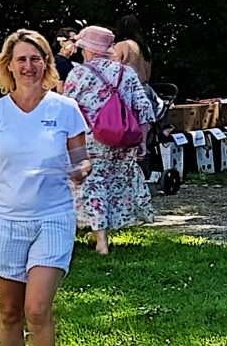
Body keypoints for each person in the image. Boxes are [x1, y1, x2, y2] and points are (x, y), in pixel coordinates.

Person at [0, 29, 91, 346]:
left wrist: (80, 169)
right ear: (9, 65)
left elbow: (82, 158)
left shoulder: (66, 108)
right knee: (9, 313)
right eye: (21, 59)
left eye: (36, 58)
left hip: (53, 218)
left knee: (37, 309)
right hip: (5, 221)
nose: (29, 66)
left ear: (47, 64)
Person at [62, 25, 158, 255]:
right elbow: (144, 108)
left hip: (91, 139)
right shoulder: (127, 72)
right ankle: (101, 231)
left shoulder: (79, 74)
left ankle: (100, 241)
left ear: (88, 49)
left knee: (92, 183)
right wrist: (142, 140)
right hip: (122, 139)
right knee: (113, 182)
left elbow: (66, 108)